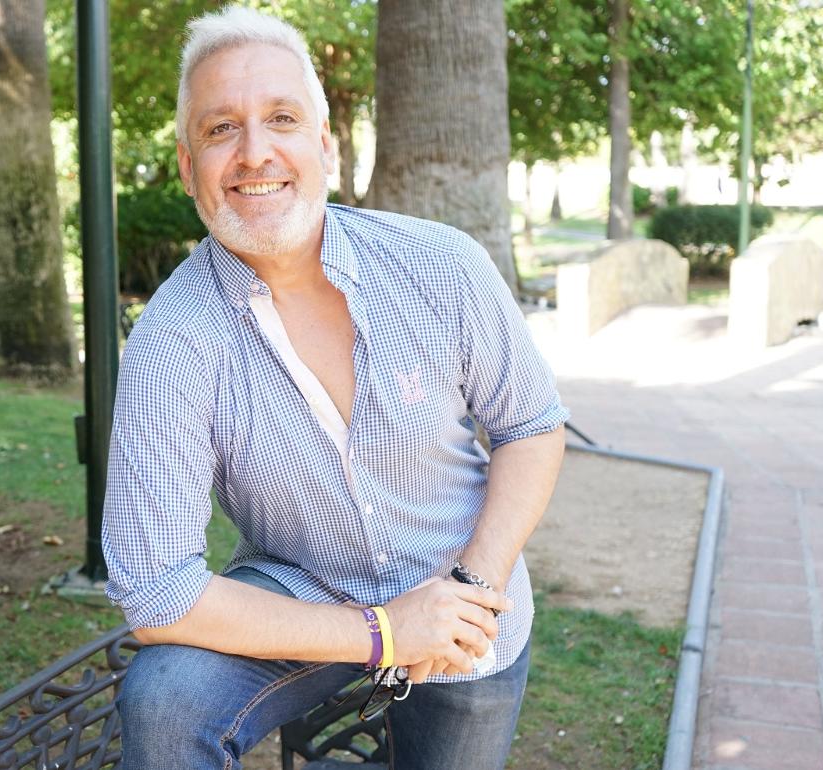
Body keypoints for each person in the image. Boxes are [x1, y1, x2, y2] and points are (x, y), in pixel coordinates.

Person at [102, 6, 567, 769]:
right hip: (303, 588)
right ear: (188, 167)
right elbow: (159, 592)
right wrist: (384, 632)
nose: (255, 151)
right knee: (165, 700)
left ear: (324, 144)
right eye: (221, 128)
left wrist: (470, 591)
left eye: (281, 118)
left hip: (462, 591)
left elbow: (533, 424)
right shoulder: (171, 341)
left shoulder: (441, 264)